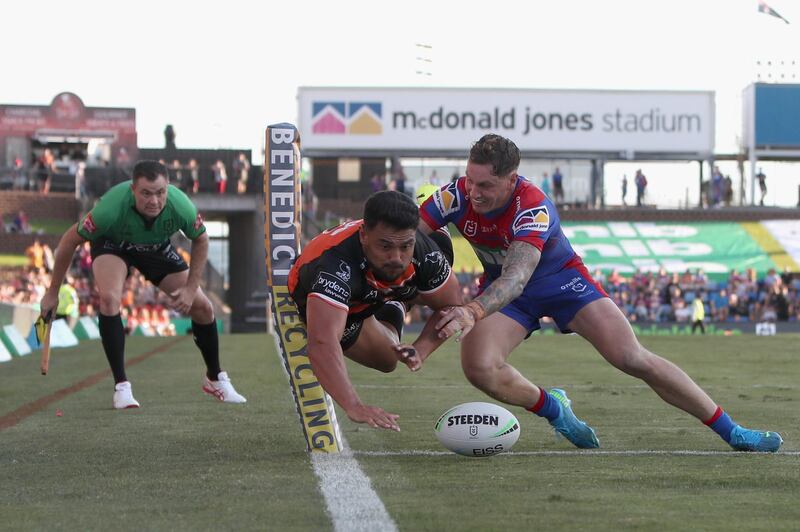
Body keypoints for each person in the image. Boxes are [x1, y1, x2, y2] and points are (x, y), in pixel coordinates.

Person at [418, 133, 782, 452]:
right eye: (469, 181)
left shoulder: (532, 205)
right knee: (478, 367)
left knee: (631, 358)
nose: (473, 192)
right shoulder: (455, 196)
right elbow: (409, 233)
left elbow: (517, 278)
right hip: (509, 291)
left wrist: (473, 311)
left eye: (484, 186)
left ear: (511, 179)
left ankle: (732, 431)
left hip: (561, 283)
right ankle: (554, 408)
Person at [39, 160, 246, 409]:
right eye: (146, 193)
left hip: (155, 247)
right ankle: (122, 387)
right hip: (113, 244)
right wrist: (52, 293)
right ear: (133, 190)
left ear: (168, 189)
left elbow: (201, 239)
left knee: (203, 307)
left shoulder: (180, 206)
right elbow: (68, 241)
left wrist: (191, 289)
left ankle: (215, 378)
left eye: (160, 193)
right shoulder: (110, 208)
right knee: (110, 299)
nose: (154, 201)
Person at [289, 190, 462, 431]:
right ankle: (399, 298)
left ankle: (398, 296)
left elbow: (453, 305)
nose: (396, 257)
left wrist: (421, 350)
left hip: (377, 286)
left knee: (438, 263)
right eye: (385, 246)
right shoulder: (335, 266)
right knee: (387, 360)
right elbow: (321, 344)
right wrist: (353, 405)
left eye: (406, 246)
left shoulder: (424, 251)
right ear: (364, 235)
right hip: (346, 304)